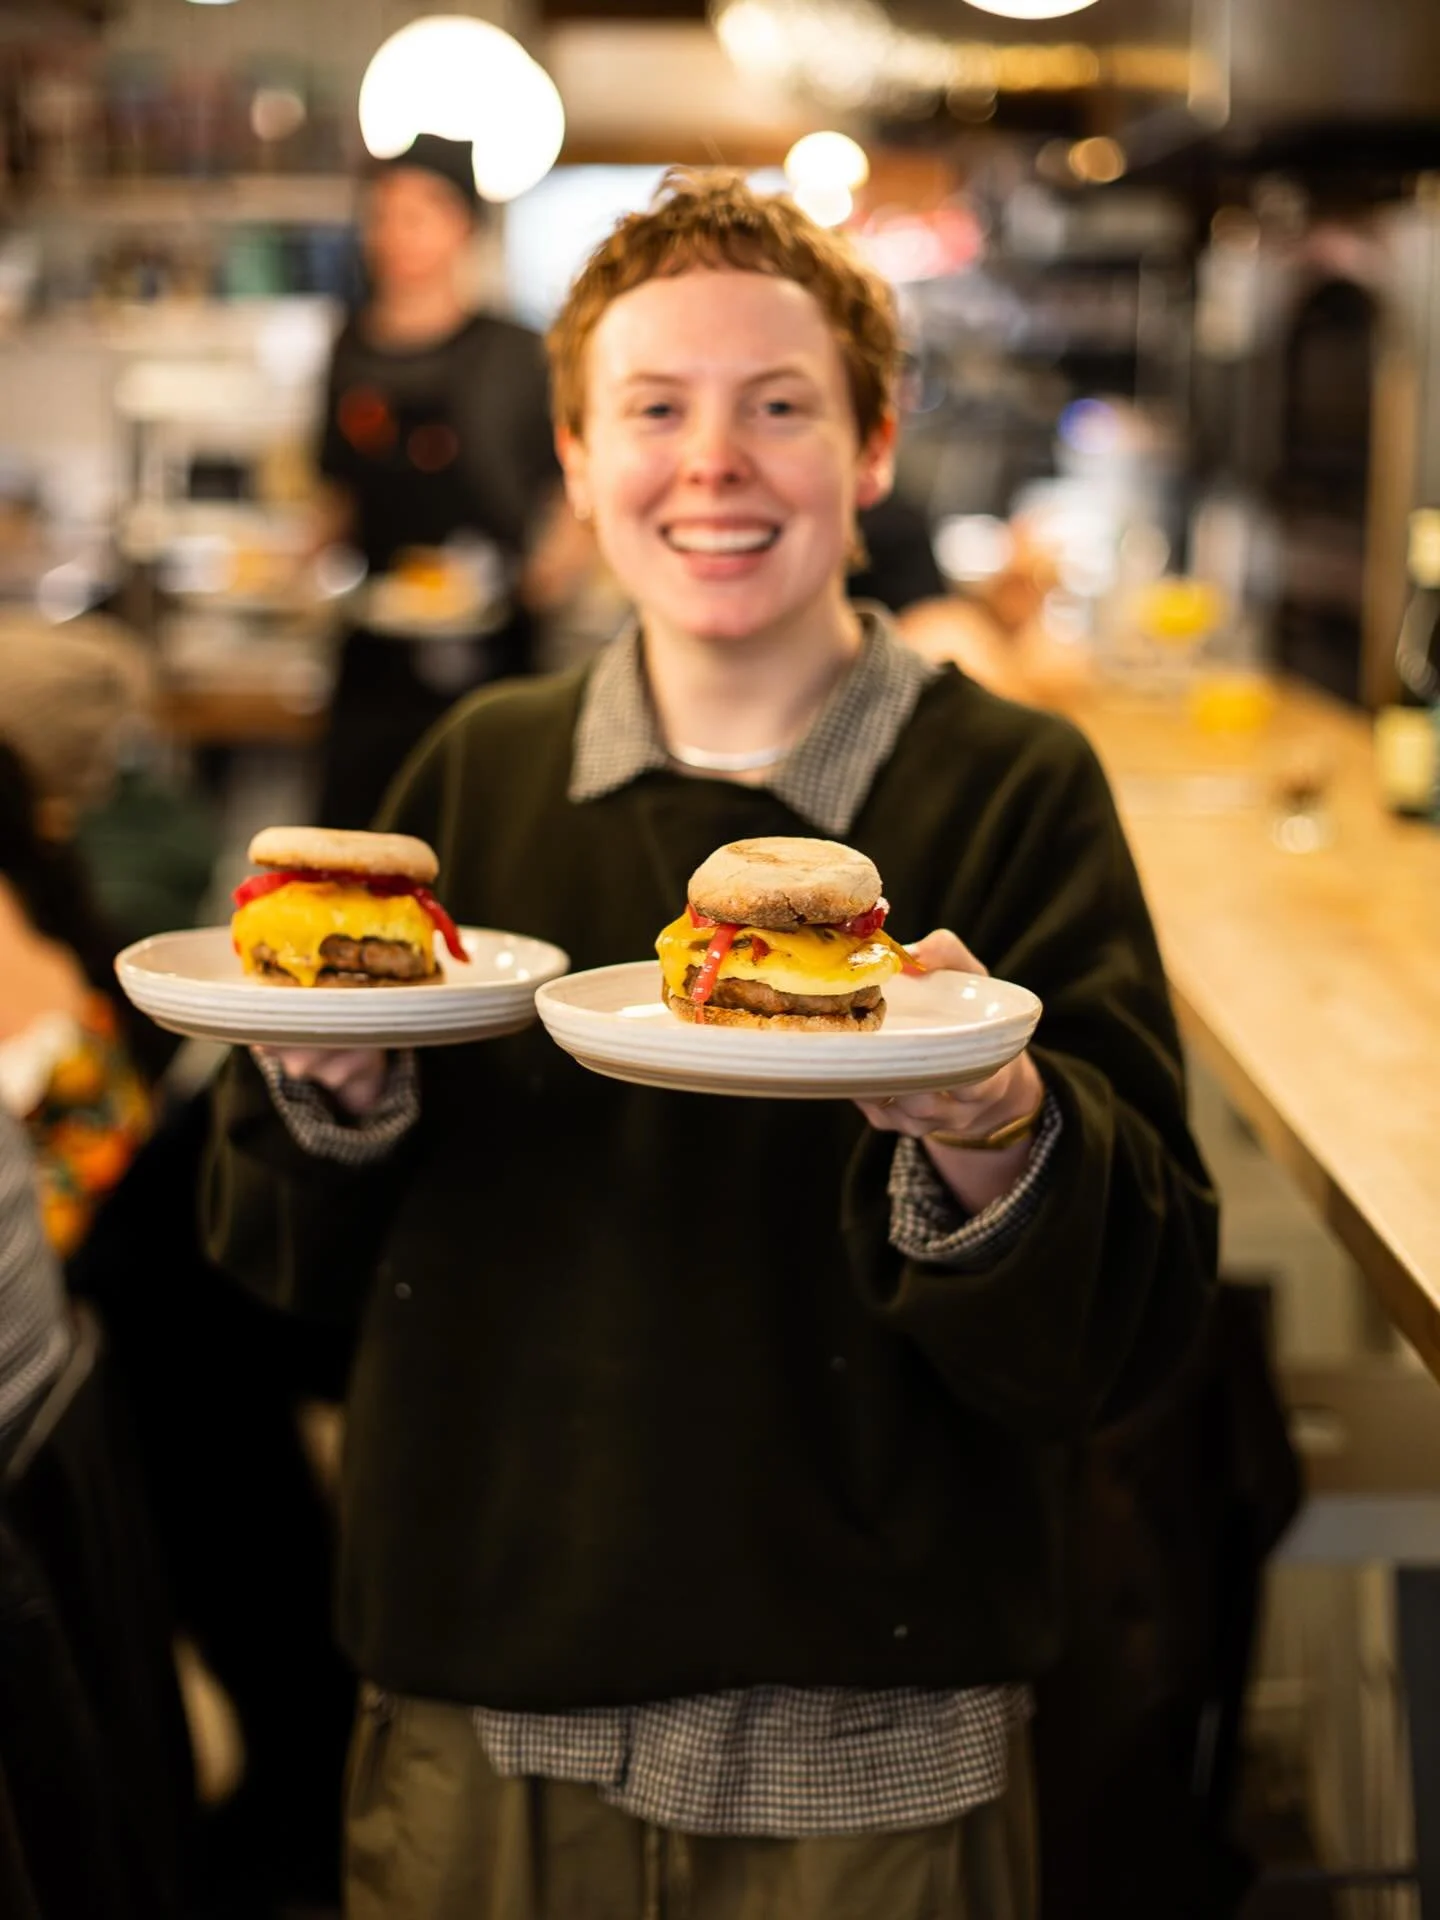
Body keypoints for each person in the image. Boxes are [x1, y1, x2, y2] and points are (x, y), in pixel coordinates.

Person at [207, 170, 1218, 1919]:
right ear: (578, 459)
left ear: (876, 447)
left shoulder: (1013, 789)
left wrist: (994, 1123)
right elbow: (282, 1260)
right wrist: (328, 1104)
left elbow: (1129, 1324)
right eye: (655, 410)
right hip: (483, 1689)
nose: (714, 464)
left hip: (877, 1716)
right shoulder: (476, 779)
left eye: (780, 407)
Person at [313, 131, 592, 829]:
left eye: (417, 216)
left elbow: (577, 483)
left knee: (481, 836)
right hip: (371, 655)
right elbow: (332, 495)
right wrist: (298, 572)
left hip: (494, 652)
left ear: (462, 226)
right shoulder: (349, 346)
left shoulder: (514, 350)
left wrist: (556, 567)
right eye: (381, 216)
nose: (393, 236)